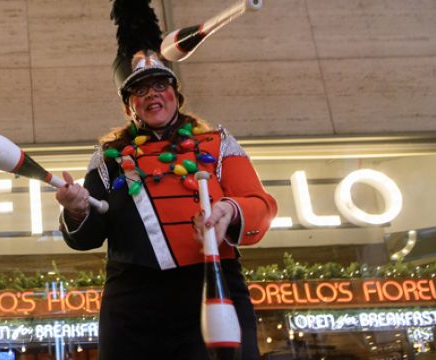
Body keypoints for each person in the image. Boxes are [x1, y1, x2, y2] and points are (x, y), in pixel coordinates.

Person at [55, 3, 277, 358]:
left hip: (212, 287)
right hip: (132, 305)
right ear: (129, 107)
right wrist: (78, 211)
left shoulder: (217, 145)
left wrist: (230, 211)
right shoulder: (108, 158)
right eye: (139, 91)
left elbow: (262, 205)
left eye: (161, 84)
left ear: (176, 94)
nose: (152, 94)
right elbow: (90, 235)